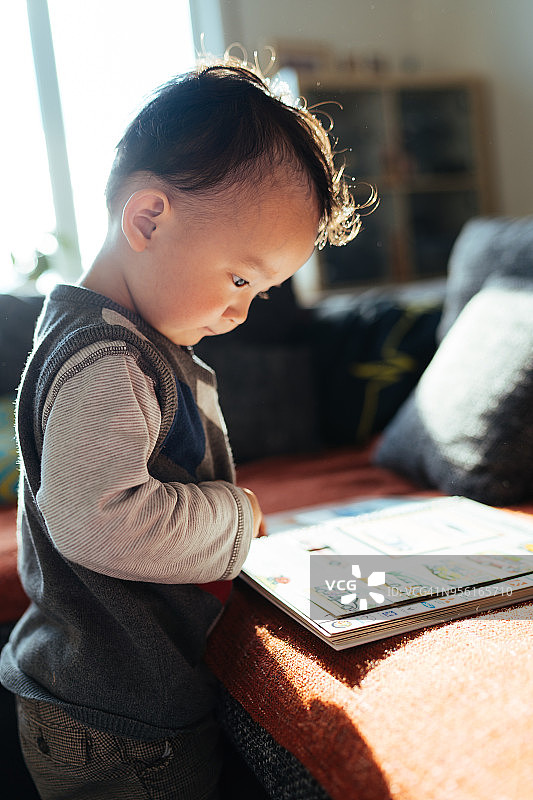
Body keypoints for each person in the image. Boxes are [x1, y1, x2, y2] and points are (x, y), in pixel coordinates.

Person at [0, 57, 368, 799]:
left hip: (121, 702)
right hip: (117, 721)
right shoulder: (106, 357)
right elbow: (96, 520)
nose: (240, 313)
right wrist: (236, 516)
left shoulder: (128, 341)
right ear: (147, 218)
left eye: (259, 293)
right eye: (240, 278)